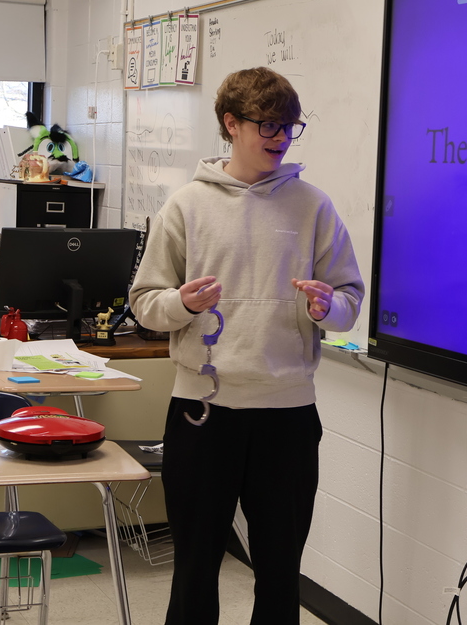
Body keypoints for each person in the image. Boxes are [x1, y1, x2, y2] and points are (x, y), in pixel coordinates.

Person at [129, 66, 364, 625]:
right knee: (195, 570)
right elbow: (144, 302)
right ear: (231, 124)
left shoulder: (314, 207)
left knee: (280, 574)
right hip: (202, 414)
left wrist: (326, 308)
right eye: (268, 125)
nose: (281, 138)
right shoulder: (186, 206)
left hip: (287, 416)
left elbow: (349, 299)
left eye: (290, 127)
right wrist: (182, 304)